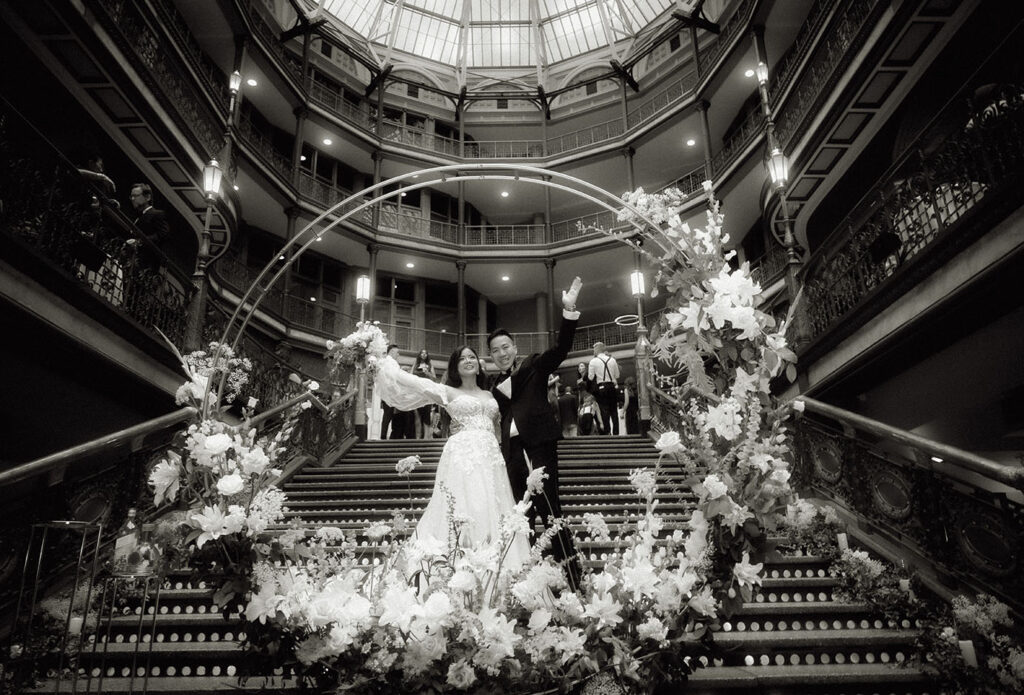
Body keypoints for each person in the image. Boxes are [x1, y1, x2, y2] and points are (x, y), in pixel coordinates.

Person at [375, 345, 530, 568]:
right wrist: (383, 363)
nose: (468, 361)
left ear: (478, 365)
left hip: (491, 456)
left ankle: (497, 564)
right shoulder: (447, 392)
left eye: (472, 357)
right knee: (465, 504)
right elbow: (411, 382)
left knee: (494, 505)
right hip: (463, 454)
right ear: (455, 367)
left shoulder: (490, 394)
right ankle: (458, 563)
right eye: (462, 358)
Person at [489, 276, 583, 589]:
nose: (502, 353)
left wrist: (568, 312)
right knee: (522, 517)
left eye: (506, 347)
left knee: (550, 509)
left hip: (539, 447)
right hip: (512, 454)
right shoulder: (494, 388)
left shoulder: (532, 366)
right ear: (491, 356)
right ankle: (530, 584)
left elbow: (561, 348)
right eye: (495, 350)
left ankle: (573, 578)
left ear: (514, 348)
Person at [588, 342, 620, 435]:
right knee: (614, 410)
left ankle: (607, 432)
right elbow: (617, 375)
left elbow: (590, 377)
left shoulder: (593, 361)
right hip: (612, 386)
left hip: (601, 387)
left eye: (594, 349)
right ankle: (616, 433)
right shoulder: (612, 359)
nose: (593, 351)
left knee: (604, 410)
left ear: (597, 350)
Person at [413, 349, 437, 438]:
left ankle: (426, 438)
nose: (424, 354)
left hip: (426, 392)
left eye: (425, 353)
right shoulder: (416, 364)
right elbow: (411, 375)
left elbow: (434, 378)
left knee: (426, 416)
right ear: (419, 354)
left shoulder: (430, 364)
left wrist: (428, 373)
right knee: (417, 417)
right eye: (422, 353)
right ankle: (417, 438)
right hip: (418, 392)